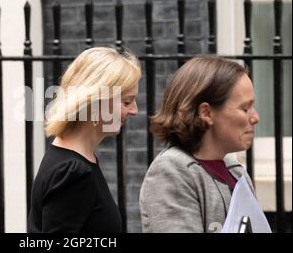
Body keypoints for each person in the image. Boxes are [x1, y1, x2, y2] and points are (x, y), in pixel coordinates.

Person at [139, 56, 260, 233]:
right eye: (244, 108)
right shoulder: (172, 171)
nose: (255, 117)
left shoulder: (236, 172)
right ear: (206, 113)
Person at [28, 47, 142, 232]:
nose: (134, 110)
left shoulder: (75, 160)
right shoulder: (71, 172)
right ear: (95, 102)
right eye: (127, 102)